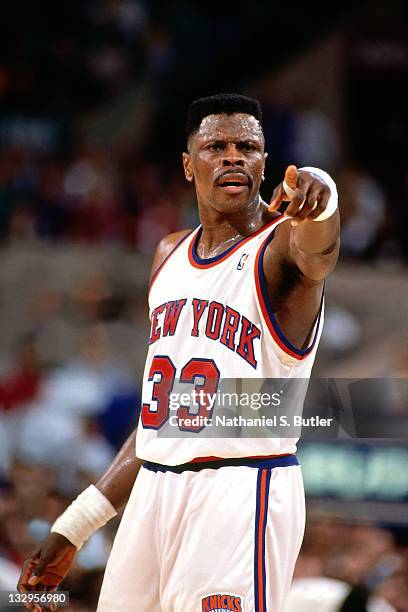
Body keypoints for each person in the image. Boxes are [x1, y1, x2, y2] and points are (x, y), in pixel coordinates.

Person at [18, 93, 340, 612]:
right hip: (154, 492)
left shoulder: (282, 248)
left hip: (240, 489)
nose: (233, 156)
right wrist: (74, 526)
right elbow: (158, 419)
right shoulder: (168, 255)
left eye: (247, 147)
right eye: (217, 146)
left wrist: (324, 197)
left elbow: (320, 249)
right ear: (189, 166)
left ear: (265, 163)